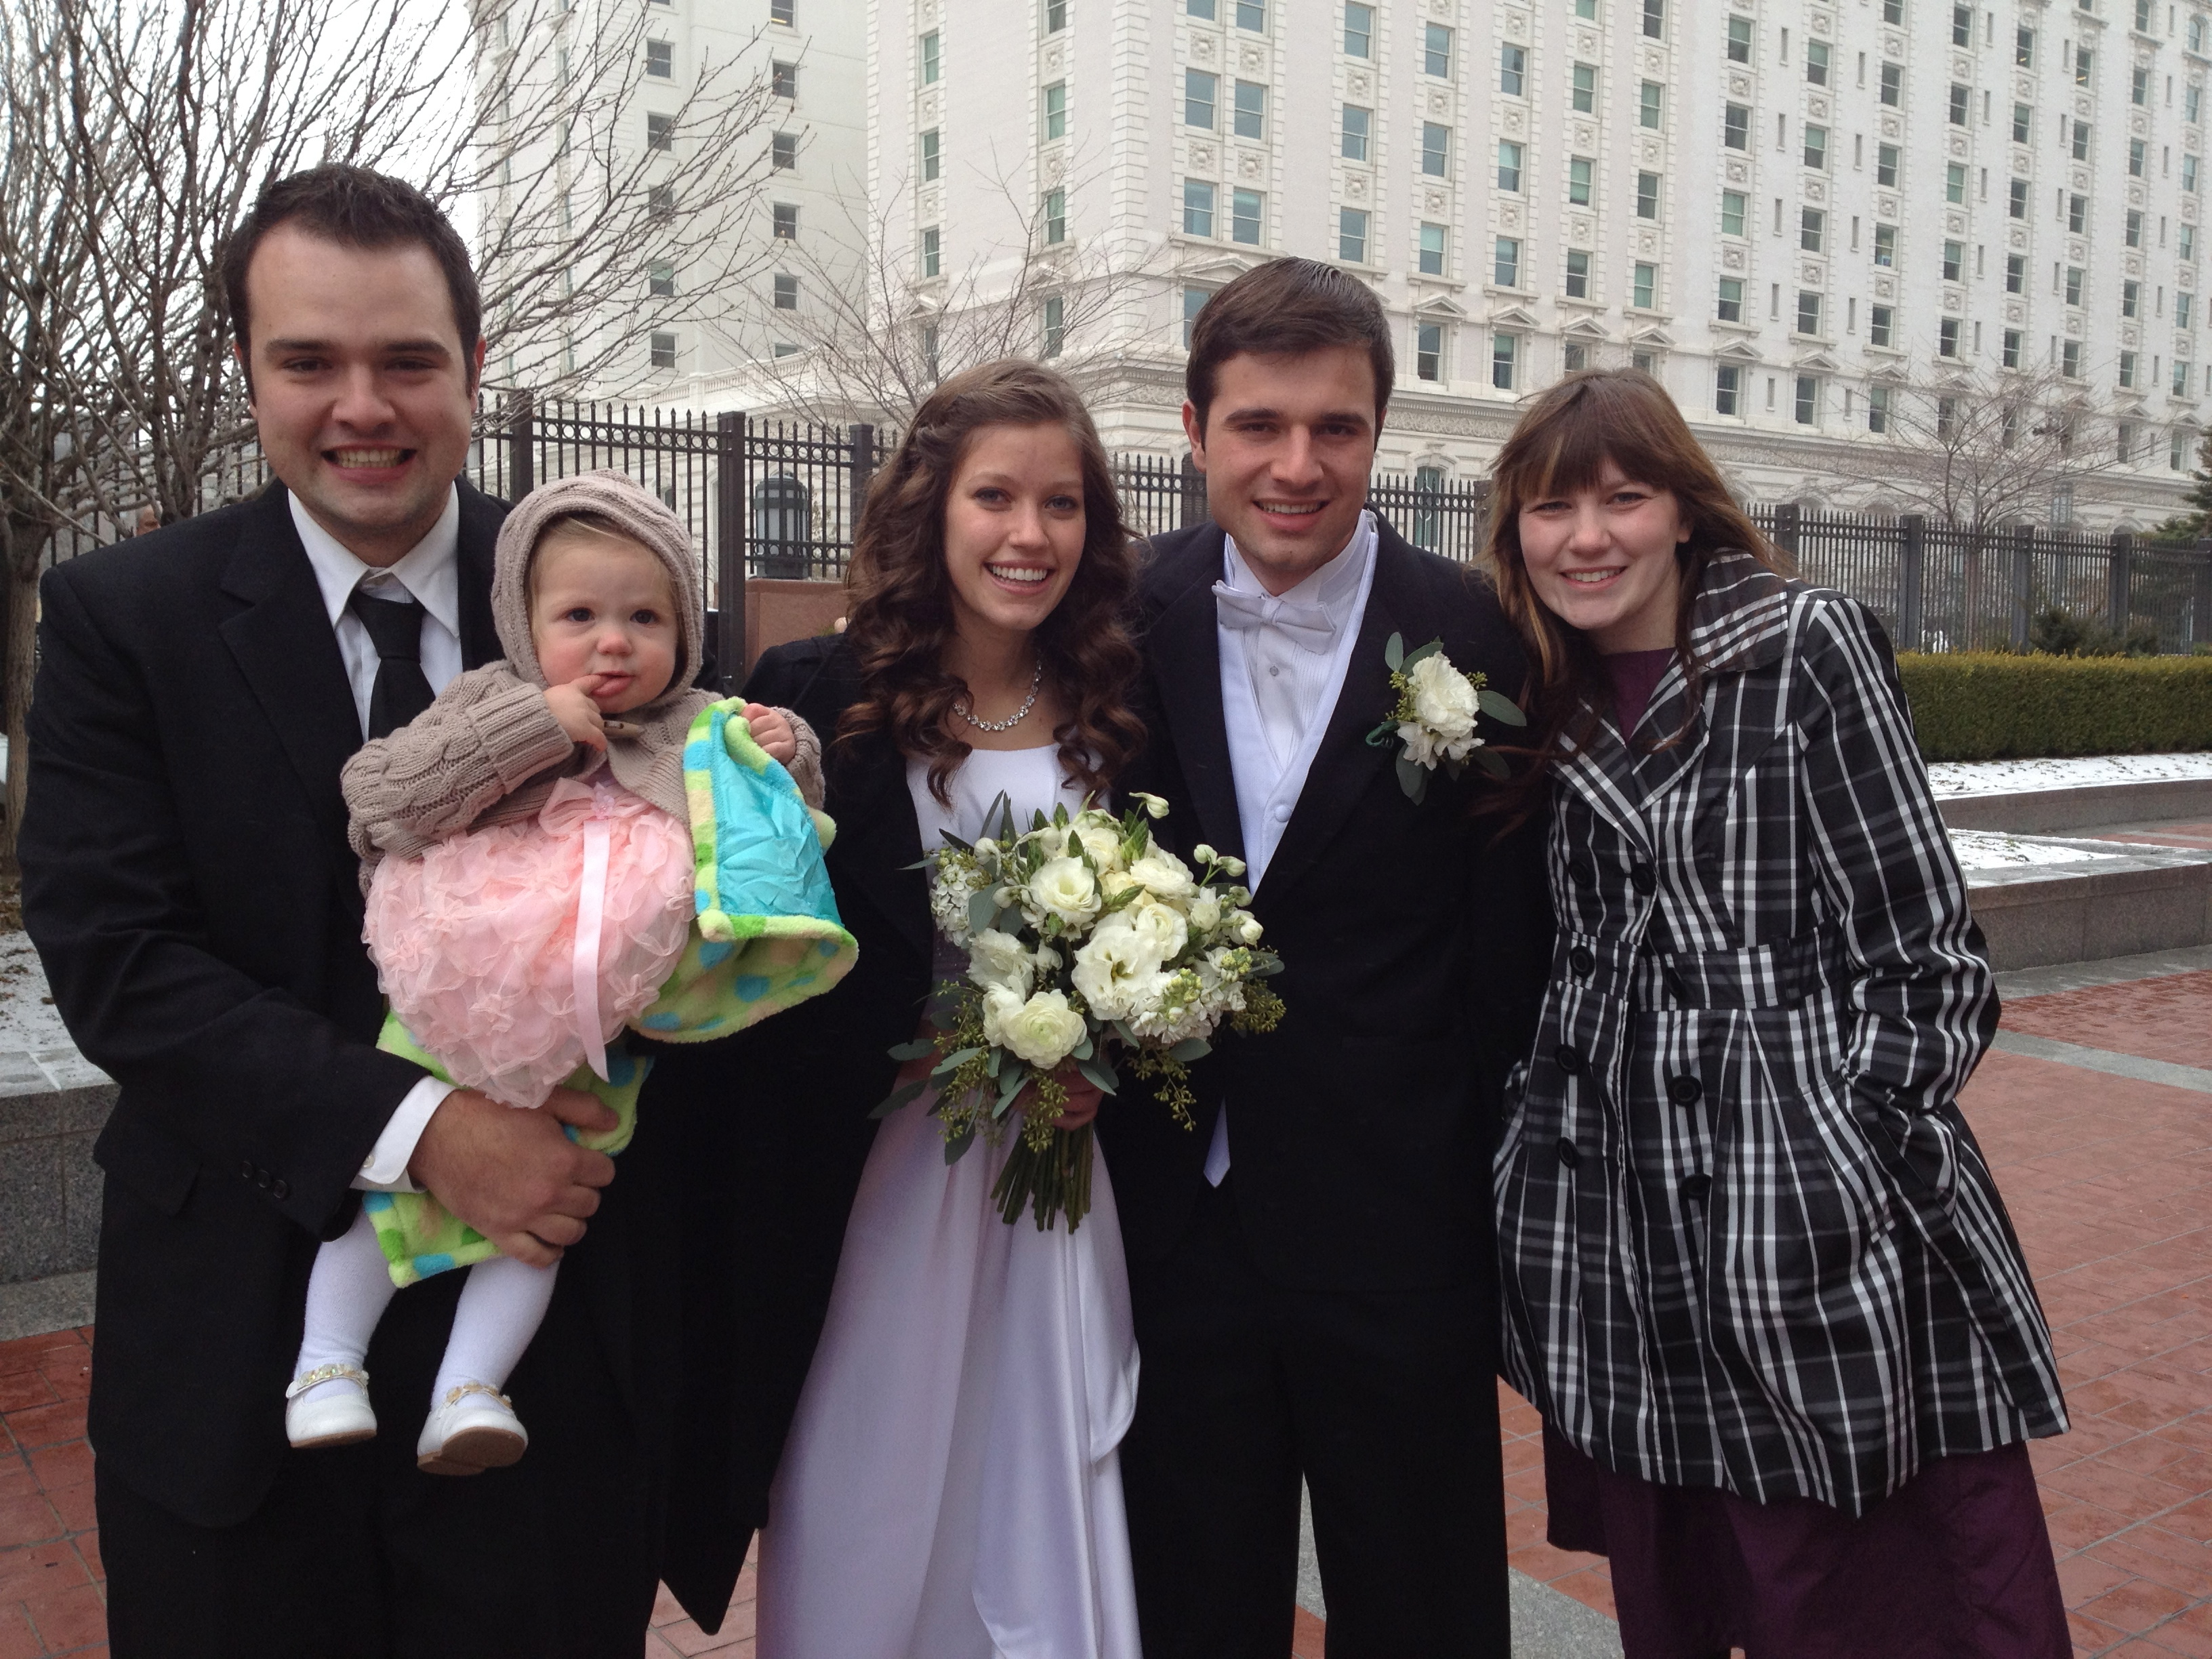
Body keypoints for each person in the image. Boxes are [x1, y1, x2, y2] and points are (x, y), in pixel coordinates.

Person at [20, 166, 738, 1656]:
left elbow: (706, 879)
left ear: (472, 365)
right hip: (238, 1353)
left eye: (407, 360)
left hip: (548, 1363)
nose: (363, 407)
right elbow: (120, 963)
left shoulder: (603, 595)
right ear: (249, 370)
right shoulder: (122, 618)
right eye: (310, 362)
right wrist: (428, 1133)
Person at [1483, 369, 2070, 1659]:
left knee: (1864, 1588)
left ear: (1683, 509)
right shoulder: (1531, 679)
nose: (1587, 538)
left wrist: (1853, 1141)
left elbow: (1927, 951)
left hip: (1805, 1202)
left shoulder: (1802, 645)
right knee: (1688, 1586)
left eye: (1623, 499)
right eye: (1552, 508)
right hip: (1615, 1215)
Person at [1099, 257, 1551, 1656]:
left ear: (1378, 433)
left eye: (1336, 429)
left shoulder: (1482, 632)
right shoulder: (1110, 617)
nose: (1298, 467)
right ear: (1195, 430)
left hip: (1400, 1224)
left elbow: (1510, 950)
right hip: (1175, 1221)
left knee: (1422, 1607)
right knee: (1188, 1605)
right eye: (1259, 425)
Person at [287, 470, 846, 1477]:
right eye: (579, 616)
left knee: (546, 1213)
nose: (613, 642)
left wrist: (786, 749)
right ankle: (325, 1363)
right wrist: (535, 728)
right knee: (386, 1191)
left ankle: (471, 1389)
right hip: (463, 991)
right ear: (523, 620)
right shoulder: (488, 699)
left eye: (645, 618)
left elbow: (777, 826)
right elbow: (382, 797)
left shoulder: (696, 723)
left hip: (604, 1025)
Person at [737, 359, 1149, 1657]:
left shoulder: (1121, 711)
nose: (1031, 535)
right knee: (866, 1464)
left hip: (1057, 1174)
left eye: (1062, 503)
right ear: (932, 506)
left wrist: (1108, 1047)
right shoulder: (820, 692)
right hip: (879, 1170)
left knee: (1038, 1458)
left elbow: (1160, 932)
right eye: (996, 497)